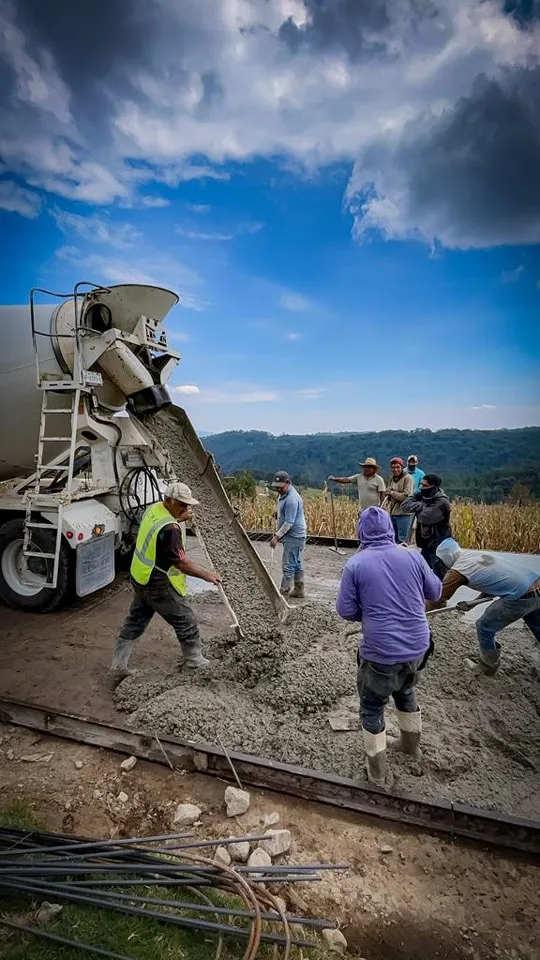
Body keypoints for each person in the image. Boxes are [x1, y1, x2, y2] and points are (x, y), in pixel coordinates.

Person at [336, 508, 442, 785]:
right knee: (406, 689)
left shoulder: (356, 564)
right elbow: (436, 592)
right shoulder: (412, 555)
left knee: (372, 707)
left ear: (361, 532)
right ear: (390, 529)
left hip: (382, 653)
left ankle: (377, 771)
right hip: (419, 647)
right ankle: (410, 747)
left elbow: (345, 610)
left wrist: (371, 610)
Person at [110, 481, 222, 684]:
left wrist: (180, 517)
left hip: (140, 576)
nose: (186, 509)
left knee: (135, 620)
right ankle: (194, 661)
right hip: (156, 582)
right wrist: (207, 575)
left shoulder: (154, 510)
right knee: (185, 618)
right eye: (181, 505)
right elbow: (181, 563)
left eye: (188, 506)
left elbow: (160, 529)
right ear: (168, 500)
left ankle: (118, 665)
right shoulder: (170, 529)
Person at [436, 538, 540, 675]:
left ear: (447, 559)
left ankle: (488, 667)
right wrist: (473, 603)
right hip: (536, 587)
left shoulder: (457, 570)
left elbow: (438, 599)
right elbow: (495, 581)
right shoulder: (473, 556)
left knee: (484, 626)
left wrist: (418, 613)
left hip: (520, 598)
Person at [402, 474, 451, 580]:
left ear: (433, 487)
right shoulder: (421, 495)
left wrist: (419, 507)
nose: (421, 488)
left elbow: (425, 518)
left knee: (439, 574)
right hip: (426, 543)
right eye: (421, 485)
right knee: (421, 572)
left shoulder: (442, 502)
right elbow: (404, 505)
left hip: (439, 544)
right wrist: (420, 506)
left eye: (425, 486)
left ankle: (441, 595)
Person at [269, 470, 307, 598]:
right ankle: (299, 589)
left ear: (288, 483)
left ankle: (283, 593)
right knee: (296, 562)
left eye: (280, 487)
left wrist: (276, 537)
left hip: (294, 536)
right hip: (293, 535)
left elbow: (289, 523)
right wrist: (278, 513)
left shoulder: (291, 499)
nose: (278, 490)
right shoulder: (284, 494)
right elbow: (285, 512)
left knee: (288, 565)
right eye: (276, 487)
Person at [384, 457, 414, 544]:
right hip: (393, 513)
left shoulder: (408, 478)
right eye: (393, 467)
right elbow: (388, 492)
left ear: (402, 467)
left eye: (397, 467)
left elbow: (406, 497)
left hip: (404, 514)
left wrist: (392, 493)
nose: (395, 469)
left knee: (402, 541)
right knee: (392, 539)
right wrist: (388, 494)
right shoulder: (391, 478)